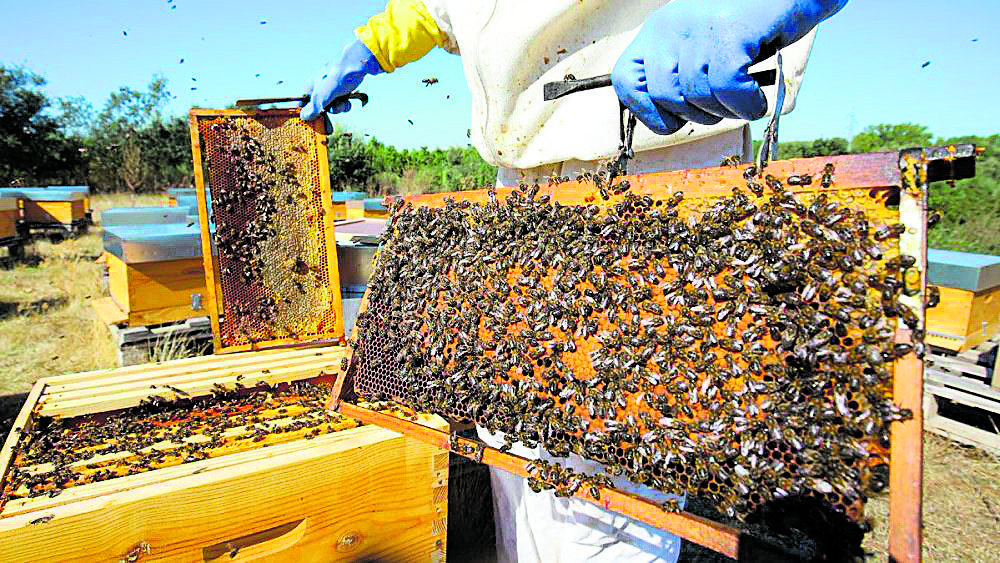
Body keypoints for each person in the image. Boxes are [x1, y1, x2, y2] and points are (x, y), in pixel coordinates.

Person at [301, 1, 848, 561]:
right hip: (520, 186)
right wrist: (376, 42)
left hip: (660, 153)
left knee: (613, 464)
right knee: (509, 428)